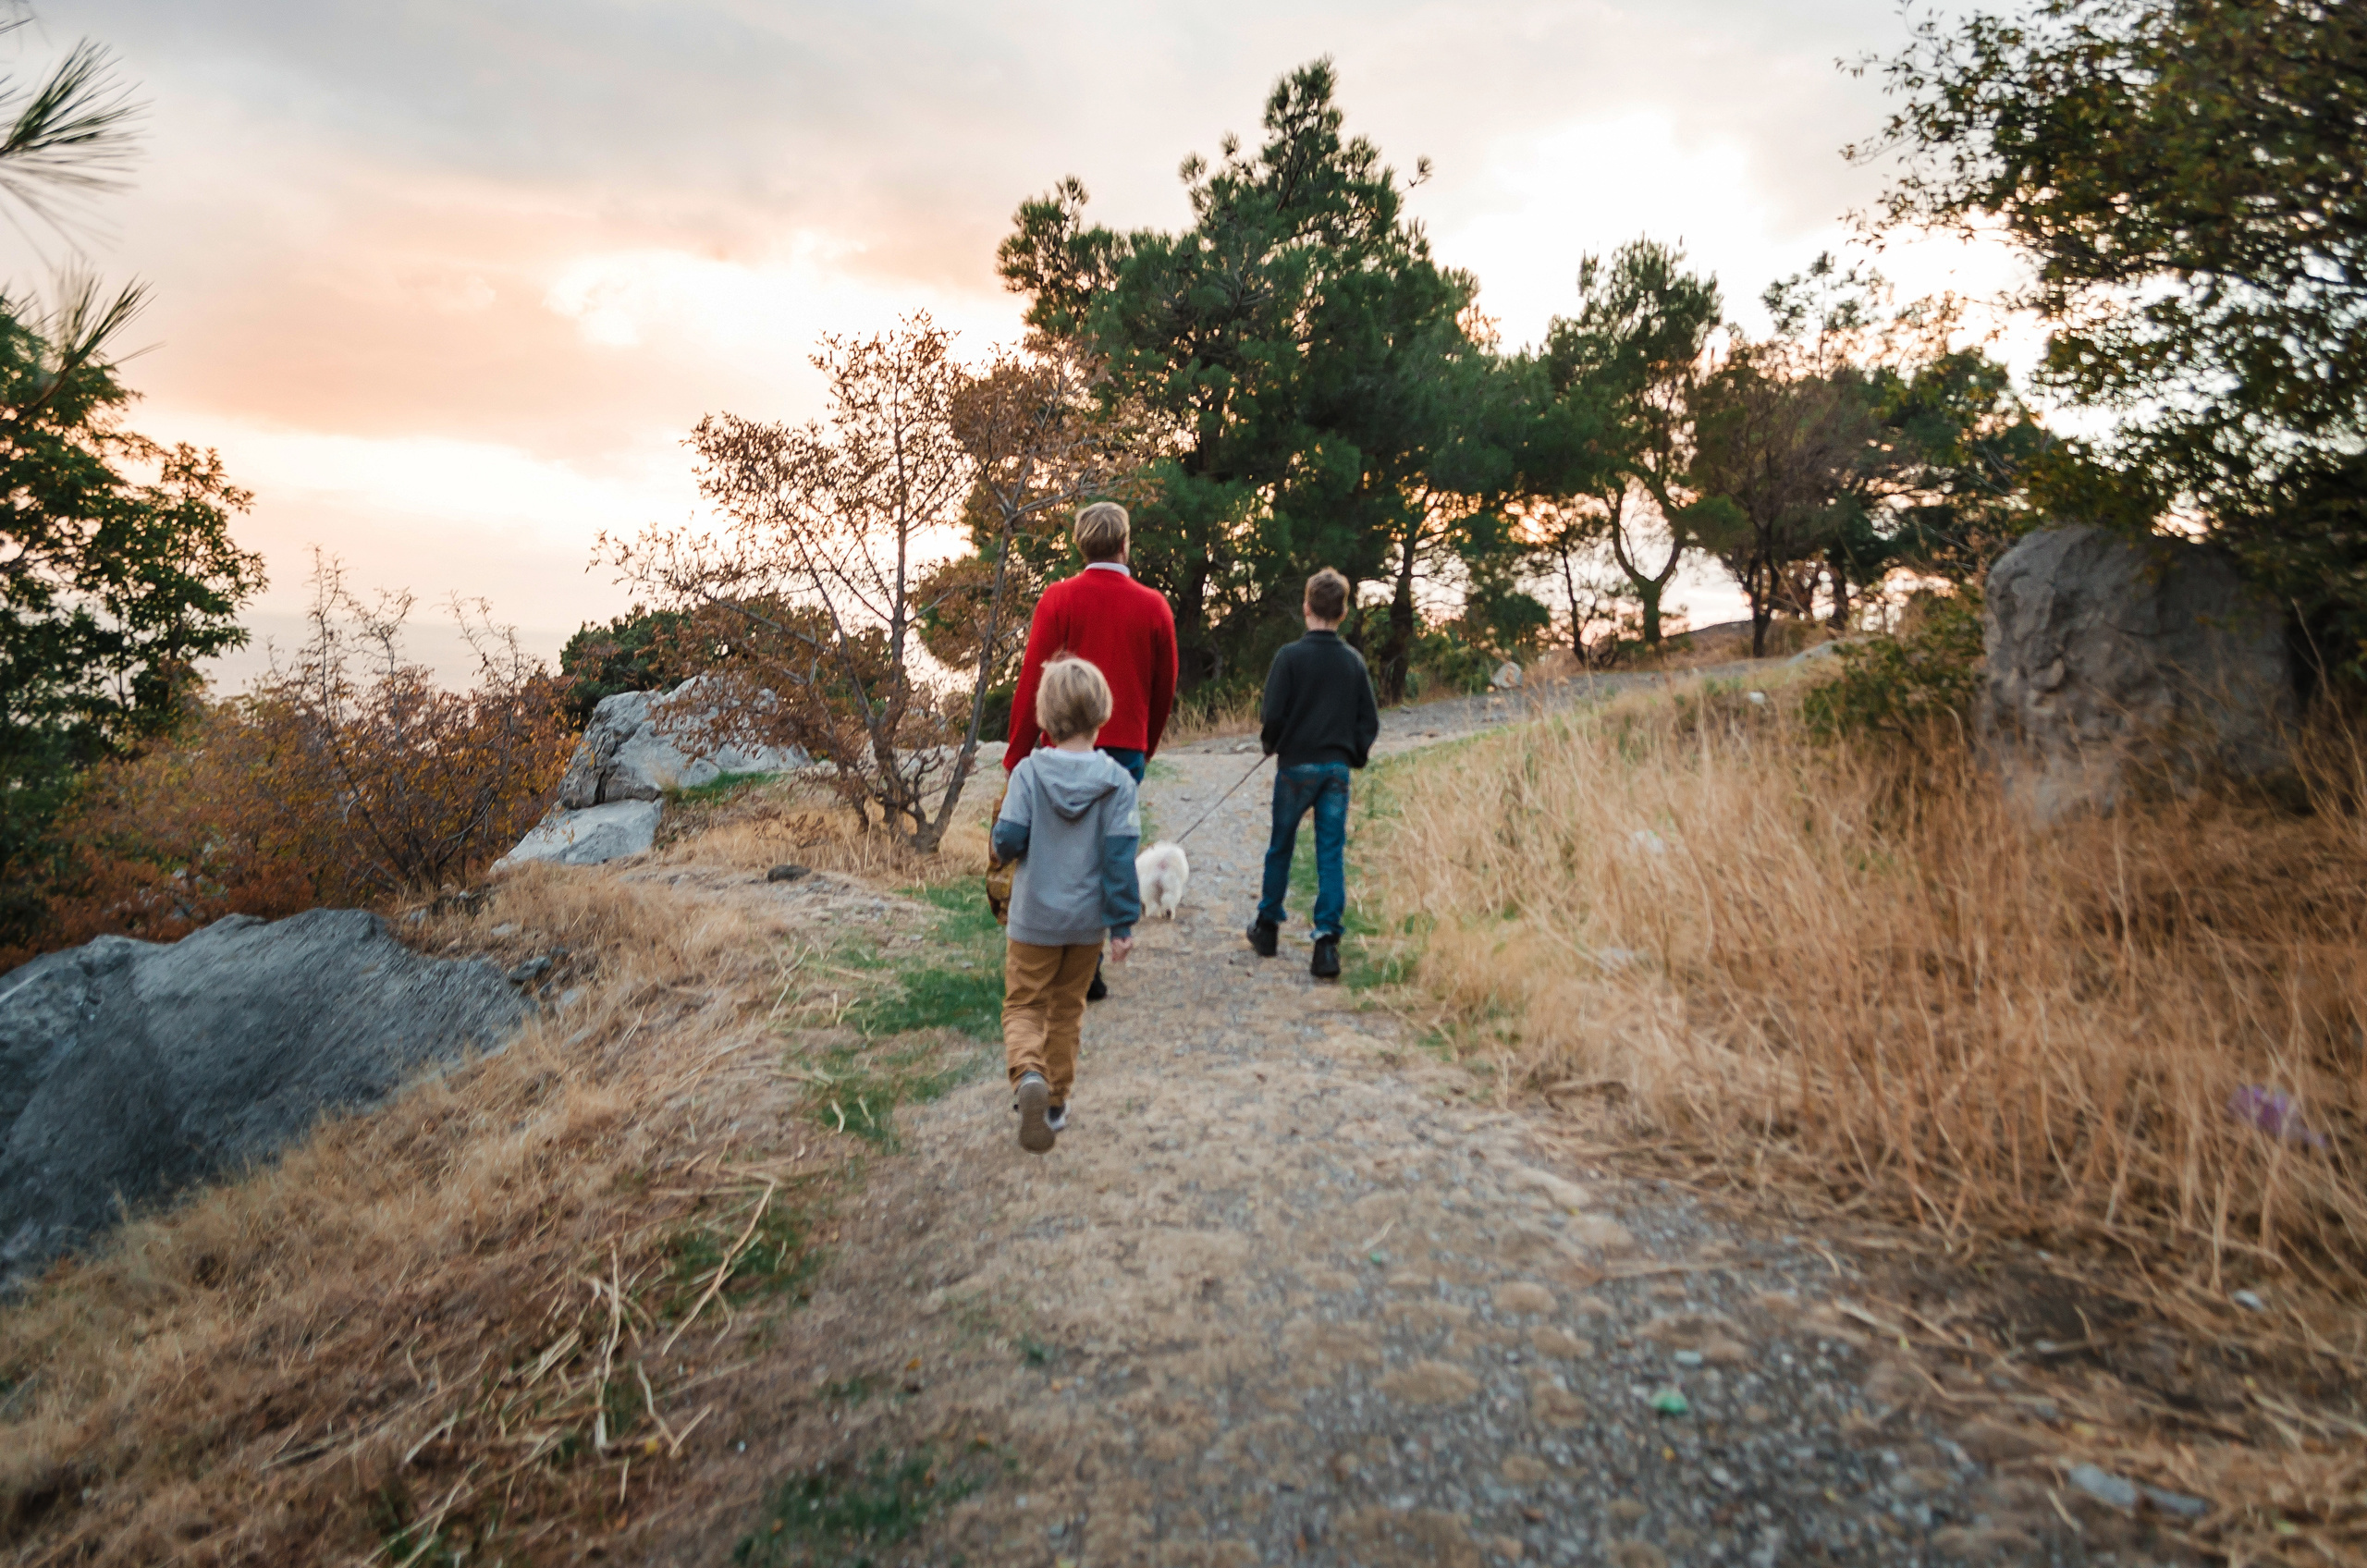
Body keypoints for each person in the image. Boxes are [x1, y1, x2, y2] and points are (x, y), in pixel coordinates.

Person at [1004, 500, 1177, 1000]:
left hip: (1059, 746)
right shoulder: (1153, 605)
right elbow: (1164, 685)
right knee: (1109, 849)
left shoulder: (1058, 600)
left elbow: (1031, 681)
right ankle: (1089, 958)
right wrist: (1149, 741)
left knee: (1063, 852)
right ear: (1125, 544)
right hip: (1125, 746)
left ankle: (1072, 956)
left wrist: (1017, 755)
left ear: (1082, 545)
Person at [993, 657, 1143, 1153]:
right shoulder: (1118, 781)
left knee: (1025, 1003)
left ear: (1045, 716)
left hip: (1033, 918)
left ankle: (1028, 1075)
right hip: (1085, 926)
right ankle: (1054, 1104)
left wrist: (1000, 844)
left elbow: (1009, 839)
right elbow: (1121, 861)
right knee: (1066, 1009)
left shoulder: (1029, 774)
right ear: (1102, 712)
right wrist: (1122, 924)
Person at [1245, 567, 1380, 981]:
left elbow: (1273, 714)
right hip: (1335, 769)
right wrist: (1353, 754)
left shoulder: (1289, 657)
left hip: (1295, 767)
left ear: (1306, 607)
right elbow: (1368, 721)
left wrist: (1273, 744)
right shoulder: (1353, 662)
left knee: (1281, 845)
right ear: (1343, 613)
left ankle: (1267, 927)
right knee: (1329, 852)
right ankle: (1326, 944)